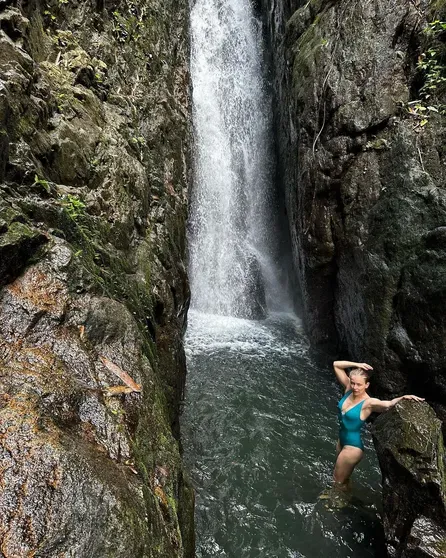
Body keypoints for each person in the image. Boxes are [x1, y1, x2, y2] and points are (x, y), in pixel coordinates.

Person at [332, 360, 424, 486]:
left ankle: (334, 504)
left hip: (352, 447)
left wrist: (402, 398)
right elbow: (336, 364)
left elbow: (388, 405)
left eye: (359, 384)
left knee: (337, 481)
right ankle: (345, 498)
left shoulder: (368, 403)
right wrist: (357, 365)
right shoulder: (349, 388)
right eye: (353, 383)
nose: (355, 387)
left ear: (367, 385)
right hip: (341, 441)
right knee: (343, 479)